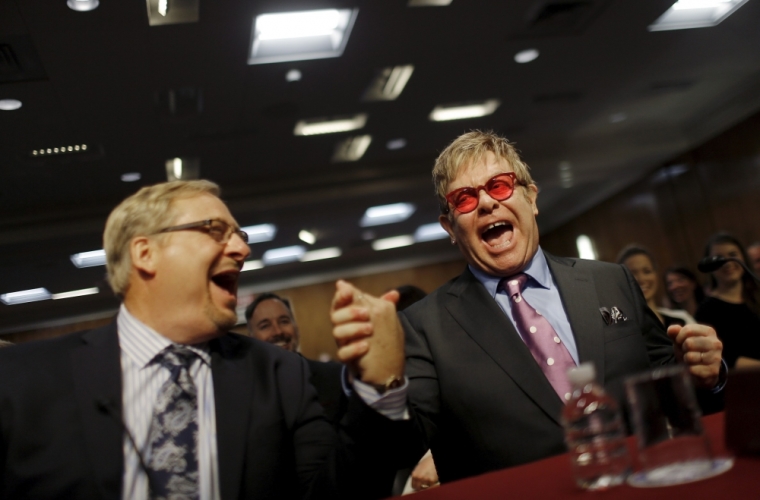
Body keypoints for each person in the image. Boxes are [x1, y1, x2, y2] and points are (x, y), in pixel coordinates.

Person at [331, 130, 725, 484]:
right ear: (450, 228)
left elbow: (668, 384)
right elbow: (392, 453)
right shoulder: (422, 327)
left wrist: (701, 373)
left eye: (500, 186)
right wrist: (380, 386)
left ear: (531, 197)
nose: (486, 202)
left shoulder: (611, 281)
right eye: (464, 199)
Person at [0, 180, 401, 499]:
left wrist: (378, 390)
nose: (242, 249)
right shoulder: (22, 381)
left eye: (241, 235)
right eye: (214, 230)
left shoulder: (281, 376)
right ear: (145, 252)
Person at [245, 293, 346, 423]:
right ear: (251, 338)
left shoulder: (334, 376)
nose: (278, 331)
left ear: (296, 328)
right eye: (265, 326)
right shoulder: (244, 393)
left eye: (284, 321)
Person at [696, 233, 760, 368]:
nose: (728, 263)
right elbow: (724, 359)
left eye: (733, 255)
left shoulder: (757, 295)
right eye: (719, 258)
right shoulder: (707, 310)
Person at [617, 245, 696, 327]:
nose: (641, 279)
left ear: (656, 274)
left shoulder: (681, 318)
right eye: (632, 274)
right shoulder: (623, 328)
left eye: (647, 271)